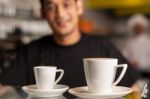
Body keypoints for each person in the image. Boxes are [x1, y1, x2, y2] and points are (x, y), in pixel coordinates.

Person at [0, 0, 139, 88]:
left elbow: (134, 88)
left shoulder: (103, 45)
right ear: (43, 13)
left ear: (79, 7)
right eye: (51, 7)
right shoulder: (30, 51)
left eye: (66, 4)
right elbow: (4, 87)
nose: (60, 14)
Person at [123, 14, 150, 79]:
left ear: (144, 27)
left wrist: (140, 63)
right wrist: (130, 62)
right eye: (136, 27)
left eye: (140, 26)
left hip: (146, 73)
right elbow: (124, 55)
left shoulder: (148, 41)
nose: (138, 29)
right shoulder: (129, 41)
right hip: (131, 72)